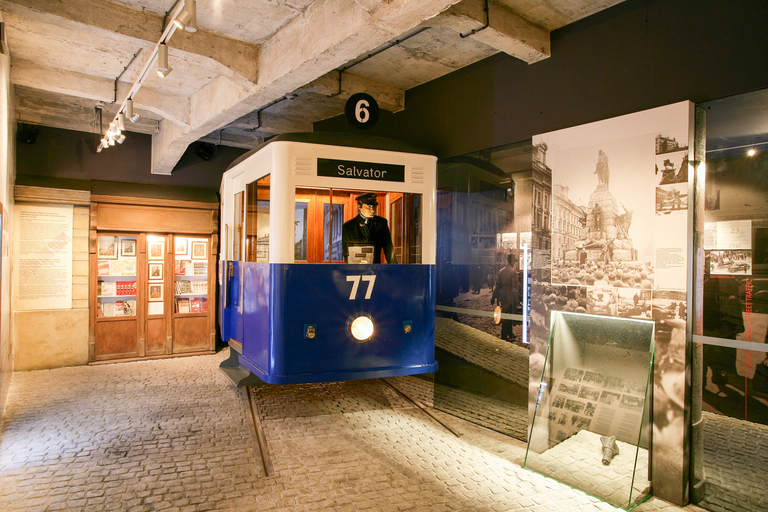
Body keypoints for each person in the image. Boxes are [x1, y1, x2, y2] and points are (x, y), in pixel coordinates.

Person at [341, 192, 397, 263]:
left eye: (374, 206)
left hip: (376, 269)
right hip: (356, 268)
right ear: (359, 206)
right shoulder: (348, 226)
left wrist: (395, 270)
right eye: (369, 206)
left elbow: (388, 249)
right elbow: (346, 253)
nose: (372, 209)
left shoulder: (381, 223)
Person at [491, 253, 520, 342]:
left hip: (502, 295)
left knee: (505, 314)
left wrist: (494, 297)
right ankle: (504, 335)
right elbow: (514, 287)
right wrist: (516, 299)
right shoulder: (513, 272)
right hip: (510, 295)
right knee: (509, 315)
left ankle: (509, 333)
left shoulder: (501, 271)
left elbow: (497, 285)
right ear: (512, 261)